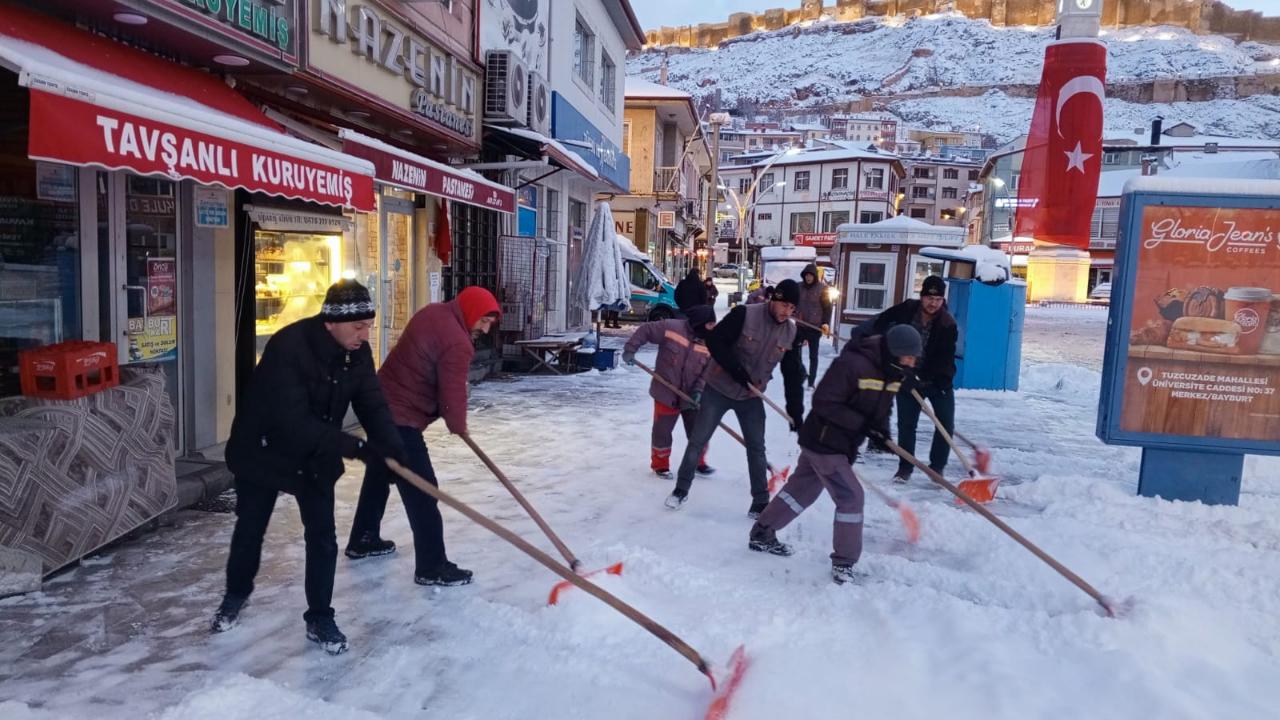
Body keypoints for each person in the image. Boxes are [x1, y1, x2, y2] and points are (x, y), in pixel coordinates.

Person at [213, 279, 405, 655]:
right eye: (358, 327)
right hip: (262, 450)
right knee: (251, 528)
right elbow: (292, 420)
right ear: (330, 322)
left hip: (315, 454)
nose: (365, 335)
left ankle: (320, 616)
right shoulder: (289, 347)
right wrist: (357, 448)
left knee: (323, 537)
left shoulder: (357, 352)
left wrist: (393, 451)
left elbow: (373, 403)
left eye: (369, 326)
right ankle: (234, 597)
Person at [345, 286, 501, 587]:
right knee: (424, 491)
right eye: (483, 320)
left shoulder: (433, 312)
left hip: (378, 405)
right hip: (400, 418)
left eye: (490, 322)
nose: (485, 327)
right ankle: (432, 566)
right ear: (469, 311)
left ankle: (363, 538)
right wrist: (458, 424)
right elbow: (451, 393)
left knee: (380, 472)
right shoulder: (458, 343)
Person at [748, 325, 922, 585]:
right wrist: (864, 426)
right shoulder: (854, 364)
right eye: (909, 356)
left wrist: (881, 433)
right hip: (825, 440)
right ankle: (844, 562)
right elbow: (824, 402)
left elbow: (881, 408)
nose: (912, 361)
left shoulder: (893, 371)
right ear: (895, 351)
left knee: (801, 492)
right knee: (851, 497)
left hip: (839, 442)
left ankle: (762, 533)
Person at [665, 280, 805, 517]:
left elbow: (792, 374)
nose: (786, 312)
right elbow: (715, 341)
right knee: (697, 440)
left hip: (751, 396)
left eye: (792, 308)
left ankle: (759, 502)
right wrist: (737, 371)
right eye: (783, 305)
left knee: (756, 448)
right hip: (718, 388)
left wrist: (796, 412)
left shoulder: (790, 332)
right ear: (774, 299)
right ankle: (681, 489)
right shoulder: (744, 314)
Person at [855, 275, 958, 483]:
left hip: (938, 381)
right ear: (922, 297)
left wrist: (923, 379)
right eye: (930, 298)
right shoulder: (906, 310)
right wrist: (866, 337)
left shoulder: (948, 324)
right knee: (906, 425)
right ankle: (905, 468)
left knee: (945, 424)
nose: (933, 303)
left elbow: (944, 359)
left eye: (938, 299)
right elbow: (881, 322)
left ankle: (937, 468)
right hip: (906, 376)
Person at [622, 305, 718, 479]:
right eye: (709, 324)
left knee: (698, 429)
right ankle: (660, 465)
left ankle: (698, 462)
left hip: (691, 394)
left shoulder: (710, 341)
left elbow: (707, 372)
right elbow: (645, 330)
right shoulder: (671, 327)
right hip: (665, 390)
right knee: (662, 431)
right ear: (699, 323)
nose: (712, 329)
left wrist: (698, 391)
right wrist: (630, 349)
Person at [794, 263, 834, 388]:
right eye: (806, 275)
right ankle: (802, 374)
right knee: (795, 354)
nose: (808, 278)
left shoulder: (823, 289)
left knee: (813, 356)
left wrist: (825, 323)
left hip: (814, 327)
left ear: (815, 276)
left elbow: (827, 308)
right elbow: (792, 301)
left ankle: (811, 381)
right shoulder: (798, 287)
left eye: (811, 276)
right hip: (800, 326)